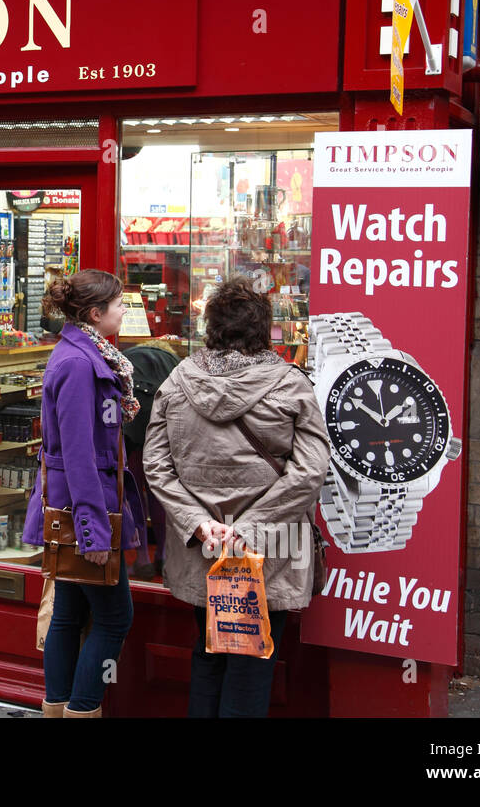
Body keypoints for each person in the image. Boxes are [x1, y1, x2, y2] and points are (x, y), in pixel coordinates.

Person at [142, 276, 329, 718]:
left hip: (203, 546)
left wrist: (198, 522)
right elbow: (310, 471)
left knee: (208, 655)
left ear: (211, 327)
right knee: (252, 661)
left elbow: (156, 463)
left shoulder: (178, 379)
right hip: (269, 548)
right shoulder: (290, 382)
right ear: (263, 328)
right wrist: (248, 529)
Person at [21, 269, 148, 718]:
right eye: (119, 304)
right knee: (115, 618)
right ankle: (83, 709)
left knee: (68, 615)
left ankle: (59, 709)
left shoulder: (89, 354)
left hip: (79, 508)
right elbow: (77, 452)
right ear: (96, 314)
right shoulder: (78, 363)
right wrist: (94, 532)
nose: (124, 311)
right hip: (85, 512)